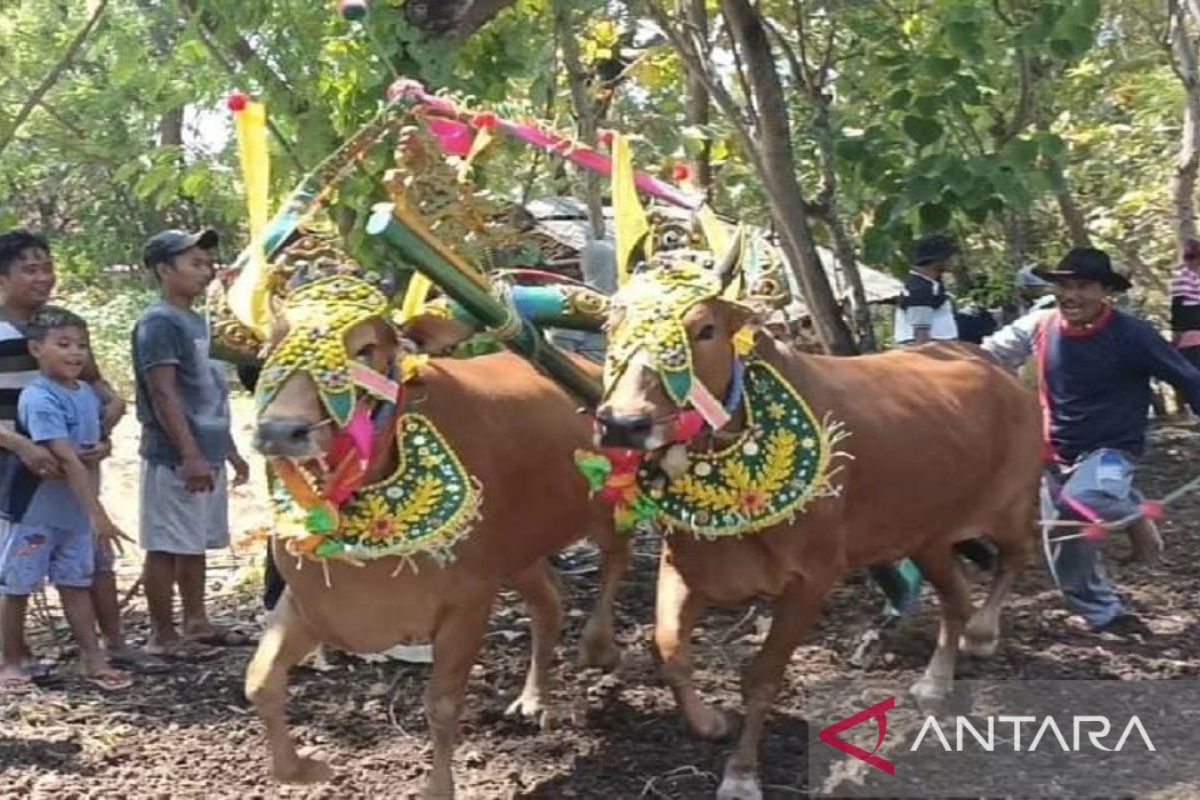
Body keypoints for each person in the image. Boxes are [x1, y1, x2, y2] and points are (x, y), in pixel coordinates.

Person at [982, 247, 1200, 635]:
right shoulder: (1040, 325)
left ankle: (1129, 507)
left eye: (1082, 286)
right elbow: (989, 355)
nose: (1071, 295)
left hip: (1113, 450)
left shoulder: (1133, 335)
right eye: (1064, 286)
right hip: (1054, 451)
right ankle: (1104, 613)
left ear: (1104, 291)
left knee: (1085, 501)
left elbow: (1188, 378)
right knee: (1064, 534)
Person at [0, 231, 146, 681]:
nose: (43, 277)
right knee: (17, 564)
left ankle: (107, 645)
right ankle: (14, 655)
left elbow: (100, 389)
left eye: (47, 267)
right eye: (30, 268)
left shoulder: (60, 326)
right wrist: (20, 444)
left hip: (73, 466)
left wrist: (106, 425)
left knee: (87, 558)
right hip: (15, 467)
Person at [133, 229, 249, 658]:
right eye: (194, 263)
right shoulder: (159, 322)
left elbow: (210, 391)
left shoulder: (198, 322)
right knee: (165, 543)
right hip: (175, 455)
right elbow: (164, 392)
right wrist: (189, 452)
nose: (206, 270)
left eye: (206, 262)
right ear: (165, 270)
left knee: (193, 540)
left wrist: (229, 448)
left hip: (207, 448)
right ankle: (162, 633)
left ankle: (196, 620)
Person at [893, 234, 959, 345]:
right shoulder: (920, 288)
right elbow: (920, 334)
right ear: (937, 260)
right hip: (930, 351)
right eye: (950, 257)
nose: (954, 261)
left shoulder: (929, 284)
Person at [1170, 238, 1200, 370]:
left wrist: (1176, 338)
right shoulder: (1186, 276)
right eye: (1188, 257)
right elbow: (1179, 307)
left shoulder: (1184, 276)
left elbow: (1178, 308)